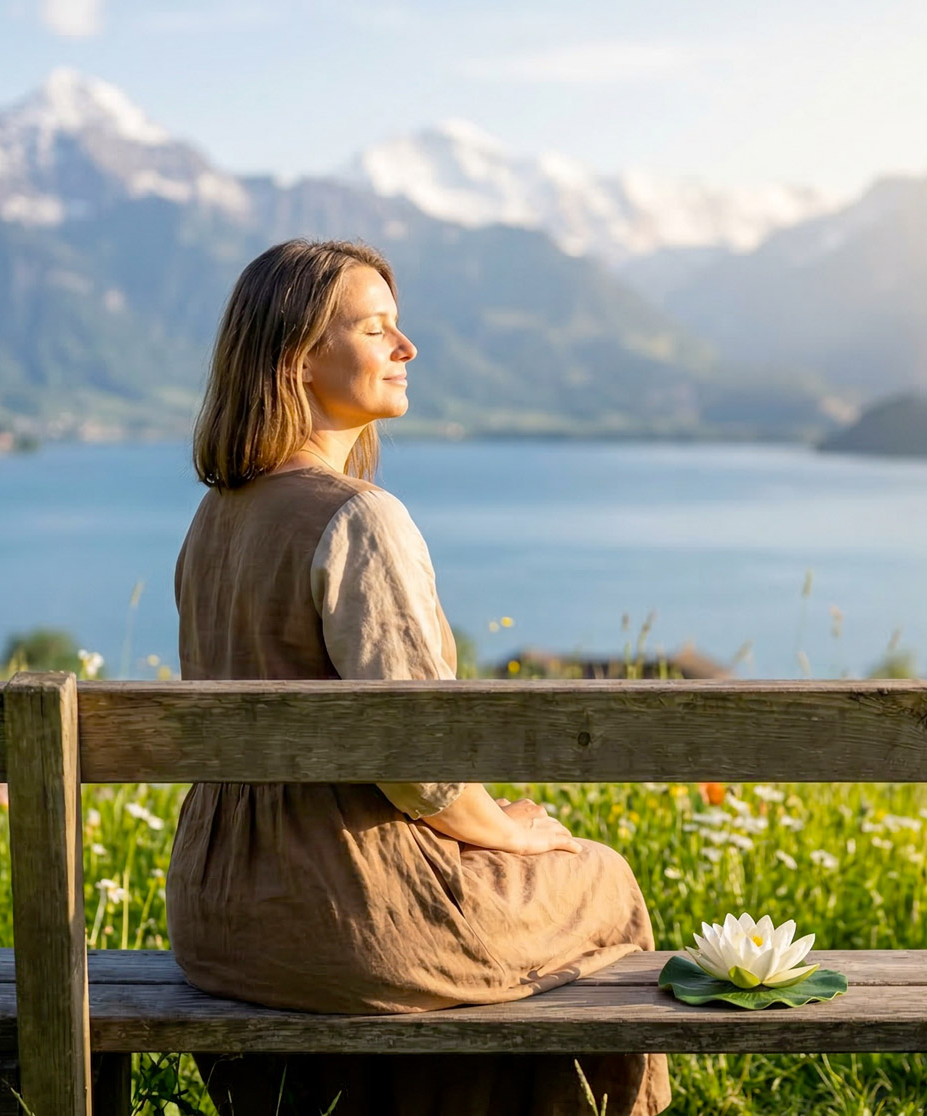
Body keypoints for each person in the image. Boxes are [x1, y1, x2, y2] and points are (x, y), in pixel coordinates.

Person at [167, 238, 671, 1116]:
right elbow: (421, 766)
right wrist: (508, 835)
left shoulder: (214, 519)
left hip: (215, 915)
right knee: (599, 876)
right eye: (376, 328)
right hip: (340, 915)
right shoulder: (359, 519)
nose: (407, 349)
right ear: (299, 359)